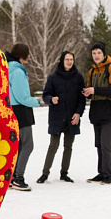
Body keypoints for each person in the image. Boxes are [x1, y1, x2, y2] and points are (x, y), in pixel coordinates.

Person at [37, 51, 85, 184]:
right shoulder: (53, 77)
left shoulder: (78, 77)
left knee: (68, 146)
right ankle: (45, 174)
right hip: (56, 117)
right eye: (67, 59)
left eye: (71, 59)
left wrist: (78, 113)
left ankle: (64, 173)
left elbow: (82, 98)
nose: (69, 62)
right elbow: (46, 95)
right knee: (53, 145)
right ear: (62, 61)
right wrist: (51, 99)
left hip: (72, 118)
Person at [82, 41, 111, 185]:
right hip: (96, 112)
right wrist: (87, 93)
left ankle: (108, 175)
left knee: (106, 145)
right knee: (99, 145)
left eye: (99, 53)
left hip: (108, 112)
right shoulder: (92, 71)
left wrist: (95, 90)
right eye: (94, 53)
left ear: (104, 54)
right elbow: (91, 91)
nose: (96, 56)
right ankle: (101, 173)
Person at [6, 44, 40, 191]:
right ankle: (18, 178)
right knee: (27, 145)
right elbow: (22, 97)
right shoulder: (17, 72)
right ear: (22, 55)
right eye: (28, 53)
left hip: (14, 110)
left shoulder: (10, 68)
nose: (29, 56)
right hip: (21, 111)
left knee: (18, 145)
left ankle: (12, 176)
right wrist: (36, 102)